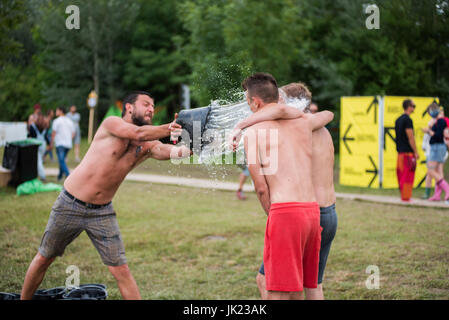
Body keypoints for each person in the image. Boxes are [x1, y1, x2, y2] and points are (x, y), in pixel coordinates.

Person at [21, 91, 189, 300]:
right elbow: (137, 134)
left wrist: (198, 143)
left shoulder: (148, 144)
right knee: (45, 258)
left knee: (121, 270)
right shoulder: (111, 124)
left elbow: (172, 153)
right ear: (129, 107)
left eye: (153, 107)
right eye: (146, 104)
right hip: (70, 203)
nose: (151, 109)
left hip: (102, 212)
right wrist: (168, 128)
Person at [232, 81, 337, 300]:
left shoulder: (296, 126)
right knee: (313, 285)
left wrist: (242, 124)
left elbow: (261, 186)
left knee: (270, 283)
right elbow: (329, 113)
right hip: (325, 213)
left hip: (296, 213)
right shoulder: (315, 124)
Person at [394, 99, 419, 202]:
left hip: (400, 153)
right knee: (408, 176)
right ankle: (406, 197)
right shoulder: (408, 120)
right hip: (408, 154)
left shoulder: (398, 120)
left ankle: (403, 196)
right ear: (409, 106)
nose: (414, 108)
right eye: (413, 106)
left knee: (401, 175)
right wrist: (416, 152)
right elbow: (411, 137)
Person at [423, 103, 449, 202]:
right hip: (437, 147)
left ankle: (447, 189)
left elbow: (438, 135)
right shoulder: (438, 121)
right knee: (438, 172)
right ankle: (437, 195)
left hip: (437, 147)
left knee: (431, 170)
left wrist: (428, 131)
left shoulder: (441, 121)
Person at [51, 107, 75, 181]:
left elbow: (53, 133)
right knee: (62, 160)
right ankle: (60, 176)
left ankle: (68, 176)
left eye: (57, 110)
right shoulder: (70, 121)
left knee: (61, 161)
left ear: (61, 111)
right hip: (68, 144)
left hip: (60, 143)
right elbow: (73, 133)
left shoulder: (56, 121)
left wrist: (51, 143)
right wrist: (68, 139)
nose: (56, 112)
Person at [28, 114, 49, 182]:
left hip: (36, 144)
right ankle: (37, 174)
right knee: (39, 160)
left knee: (38, 161)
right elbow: (46, 137)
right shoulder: (44, 126)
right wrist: (49, 144)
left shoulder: (33, 126)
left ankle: (42, 176)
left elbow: (30, 136)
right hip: (43, 145)